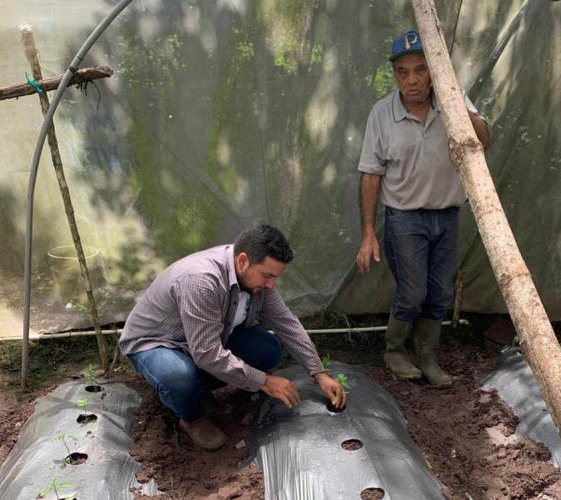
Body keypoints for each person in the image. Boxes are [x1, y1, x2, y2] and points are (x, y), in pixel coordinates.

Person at [119, 224, 346, 451]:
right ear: (242, 261)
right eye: (267, 276)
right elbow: (207, 354)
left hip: (203, 341)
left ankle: (199, 388)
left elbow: (286, 323)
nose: (271, 285)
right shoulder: (202, 280)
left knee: (267, 348)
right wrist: (264, 381)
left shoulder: (257, 280)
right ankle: (191, 417)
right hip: (158, 343)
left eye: (275, 277)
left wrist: (319, 373)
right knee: (178, 378)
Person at [355, 30, 491, 385]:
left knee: (440, 293)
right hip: (404, 217)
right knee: (412, 291)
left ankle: (428, 357)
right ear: (394, 75)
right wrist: (368, 233)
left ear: (434, 72)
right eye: (402, 72)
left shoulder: (452, 101)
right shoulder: (382, 114)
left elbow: (483, 140)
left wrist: (459, 108)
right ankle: (394, 350)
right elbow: (370, 175)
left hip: (446, 215)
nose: (412, 80)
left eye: (420, 70)